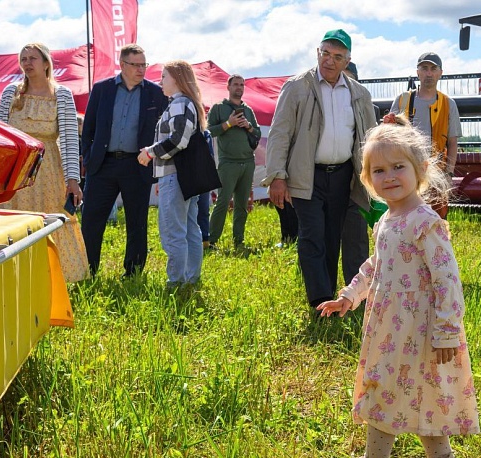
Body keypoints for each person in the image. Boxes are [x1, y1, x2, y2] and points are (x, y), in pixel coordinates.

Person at [317, 116, 480, 458]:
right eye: (378, 170)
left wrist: (448, 330)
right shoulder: (385, 222)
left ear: (419, 169)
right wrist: (349, 295)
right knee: (385, 393)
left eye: (398, 167)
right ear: (367, 179)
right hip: (389, 332)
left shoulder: (426, 223)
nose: (389, 176)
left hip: (422, 334)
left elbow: (447, 279)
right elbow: (373, 267)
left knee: (424, 398)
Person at [262, 29, 377, 313]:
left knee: (331, 236)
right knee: (312, 235)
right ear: (317, 53)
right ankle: (319, 299)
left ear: (347, 61)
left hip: (342, 176)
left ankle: (332, 299)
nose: (329, 60)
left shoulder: (359, 94)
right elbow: (280, 132)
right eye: (325, 53)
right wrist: (277, 174)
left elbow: (369, 136)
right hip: (306, 175)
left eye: (337, 56)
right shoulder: (297, 87)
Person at [0, 42, 89, 282]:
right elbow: (0, 136)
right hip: (16, 167)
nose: (27, 63)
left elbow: (69, 139)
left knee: (50, 218)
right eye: (23, 58)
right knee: (14, 219)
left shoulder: (62, 95)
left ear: (46, 63)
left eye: (32, 58)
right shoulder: (11, 92)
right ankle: (14, 275)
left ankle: (55, 276)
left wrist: (72, 180)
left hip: (48, 167)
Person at [80, 44, 168, 277]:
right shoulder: (101, 90)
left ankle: (134, 272)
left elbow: (163, 131)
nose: (141, 69)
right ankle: (88, 270)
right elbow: (88, 128)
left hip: (137, 165)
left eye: (144, 65)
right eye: (136, 65)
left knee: (137, 221)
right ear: (122, 64)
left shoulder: (155, 93)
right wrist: (88, 158)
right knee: (91, 221)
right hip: (102, 165)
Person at [137, 60, 207, 288]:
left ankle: (176, 281)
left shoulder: (179, 104)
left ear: (177, 78)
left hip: (175, 175)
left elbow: (178, 140)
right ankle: (190, 278)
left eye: (164, 77)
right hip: (182, 176)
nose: (160, 81)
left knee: (173, 231)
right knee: (189, 229)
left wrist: (150, 152)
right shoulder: (186, 104)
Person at [387, 52, 461, 219]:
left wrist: (448, 174)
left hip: (437, 174)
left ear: (440, 73)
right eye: (425, 68)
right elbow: (388, 135)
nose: (429, 73)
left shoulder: (448, 104)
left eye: (433, 69)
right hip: (406, 172)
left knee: (435, 223)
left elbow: (452, 142)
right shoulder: (402, 101)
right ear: (418, 72)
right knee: (405, 220)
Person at [206, 74, 262, 249]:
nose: (239, 88)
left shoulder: (249, 111)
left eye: (242, 85)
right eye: (236, 84)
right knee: (222, 202)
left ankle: (239, 241)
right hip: (228, 163)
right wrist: (228, 124)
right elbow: (209, 132)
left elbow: (258, 133)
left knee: (242, 205)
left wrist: (248, 126)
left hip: (247, 162)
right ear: (228, 87)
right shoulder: (218, 108)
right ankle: (211, 241)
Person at [340, 62, 370, 286]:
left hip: (357, 185)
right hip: (329, 181)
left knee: (356, 239)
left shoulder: (368, 105)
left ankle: (358, 289)